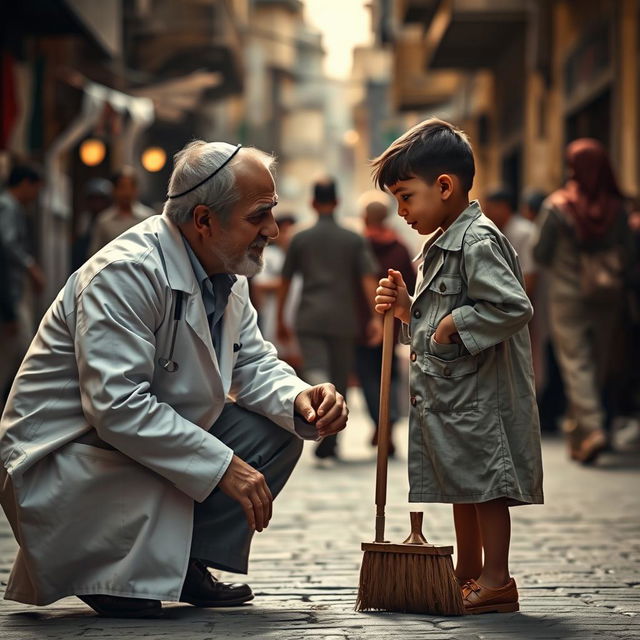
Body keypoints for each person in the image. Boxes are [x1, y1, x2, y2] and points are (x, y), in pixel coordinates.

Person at [0, 141, 348, 618]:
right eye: (258, 216)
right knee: (213, 469)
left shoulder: (228, 274)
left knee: (277, 432)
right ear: (204, 220)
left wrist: (300, 398)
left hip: (132, 445)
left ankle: (184, 561)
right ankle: (107, 567)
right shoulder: (125, 273)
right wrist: (224, 465)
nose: (271, 229)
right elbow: (117, 407)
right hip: (68, 458)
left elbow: (252, 362)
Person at [373, 118, 543, 615]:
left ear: (444, 186)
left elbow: (513, 307)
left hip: (481, 397)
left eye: (406, 197)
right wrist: (409, 310)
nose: (401, 211)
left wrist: (454, 324)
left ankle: (497, 579)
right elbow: (432, 320)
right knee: (463, 485)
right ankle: (466, 573)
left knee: (486, 486)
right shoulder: (441, 244)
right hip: (455, 396)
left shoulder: (476, 241)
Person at [533, 138, 635, 464]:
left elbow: (539, 252)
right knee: (598, 361)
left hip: (567, 296)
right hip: (607, 293)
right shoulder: (618, 208)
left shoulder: (557, 206)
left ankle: (591, 429)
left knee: (576, 363)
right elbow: (630, 253)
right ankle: (580, 437)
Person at [277, 178, 381, 464]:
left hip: (309, 316)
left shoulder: (299, 237)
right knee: (339, 378)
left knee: (315, 370)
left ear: (312, 202)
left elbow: (285, 281)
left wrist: (280, 318)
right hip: (344, 318)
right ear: (337, 202)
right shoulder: (353, 237)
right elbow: (367, 278)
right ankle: (331, 441)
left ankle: (321, 428)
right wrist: (375, 316)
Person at [355, 194, 416, 456]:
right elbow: (412, 285)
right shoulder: (399, 246)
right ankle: (387, 424)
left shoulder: (359, 244)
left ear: (365, 217)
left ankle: (380, 424)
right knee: (389, 375)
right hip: (390, 321)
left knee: (368, 376)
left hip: (361, 321)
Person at [0, 164, 45, 403]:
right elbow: (7, 246)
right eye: (35, 189)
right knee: (20, 357)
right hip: (10, 295)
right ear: (26, 184)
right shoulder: (8, 206)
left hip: (11, 294)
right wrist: (30, 266)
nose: (36, 196)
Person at [250, 213, 302, 370]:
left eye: (291, 231)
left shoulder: (300, 255)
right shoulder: (269, 256)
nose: (288, 235)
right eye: (284, 231)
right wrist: (285, 283)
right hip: (274, 312)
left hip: (298, 312)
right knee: (277, 357)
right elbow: (260, 283)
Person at [88, 166, 155, 255]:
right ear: (114, 190)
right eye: (122, 187)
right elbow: (94, 253)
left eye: (130, 187)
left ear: (136, 190)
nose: (126, 192)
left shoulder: (148, 218)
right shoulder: (104, 220)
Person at [484, 188, 537, 298]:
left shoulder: (524, 231)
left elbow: (529, 275)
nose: (485, 213)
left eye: (489, 208)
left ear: (503, 207)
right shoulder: (497, 231)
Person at [71, 177, 113, 271]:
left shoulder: (108, 219)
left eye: (100, 200)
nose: (97, 204)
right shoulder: (85, 219)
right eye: (93, 200)